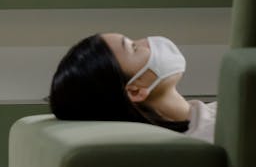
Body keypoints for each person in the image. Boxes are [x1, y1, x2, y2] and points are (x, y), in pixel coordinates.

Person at [49, 33, 216, 142]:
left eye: (135, 40)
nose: (149, 42)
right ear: (135, 91)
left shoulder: (214, 114)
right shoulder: (213, 136)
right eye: (134, 48)